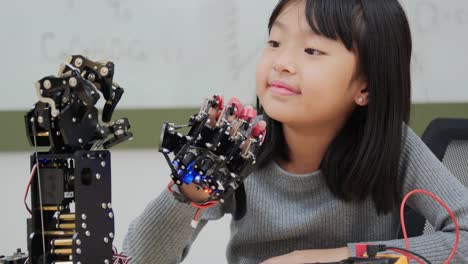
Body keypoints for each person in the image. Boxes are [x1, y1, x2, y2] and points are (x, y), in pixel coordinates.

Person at [122, 0, 468, 263]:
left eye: (312, 50)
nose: (281, 62)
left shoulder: (394, 146)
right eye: (274, 43)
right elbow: (137, 259)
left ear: (366, 86)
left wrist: (334, 256)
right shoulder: (239, 145)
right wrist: (189, 192)